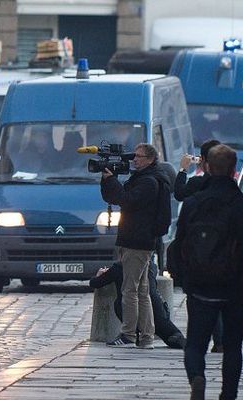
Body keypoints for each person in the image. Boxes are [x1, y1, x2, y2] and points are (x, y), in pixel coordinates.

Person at [172, 144, 243, 400]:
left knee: (195, 344)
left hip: (200, 286)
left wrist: (183, 279)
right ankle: (228, 394)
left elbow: (178, 244)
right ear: (234, 170)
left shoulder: (193, 203)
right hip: (235, 288)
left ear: (207, 167)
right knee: (234, 345)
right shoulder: (239, 204)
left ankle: (197, 378)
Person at [100, 143, 171, 349]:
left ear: (150, 159)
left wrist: (112, 180)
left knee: (129, 290)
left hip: (137, 241)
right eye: (135, 156)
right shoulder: (145, 178)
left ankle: (129, 334)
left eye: (139, 157)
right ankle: (147, 337)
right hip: (137, 239)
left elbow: (126, 200)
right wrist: (107, 180)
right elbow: (114, 197)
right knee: (141, 290)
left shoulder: (149, 182)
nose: (134, 160)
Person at [174, 139, 224, 354]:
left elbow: (179, 193)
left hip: (200, 249)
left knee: (200, 297)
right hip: (225, 250)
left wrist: (183, 169)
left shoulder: (197, 184)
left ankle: (201, 341)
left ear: (203, 161)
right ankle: (222, 341)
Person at [90, 262, 186, 349]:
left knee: (120, 303)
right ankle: (181, 340)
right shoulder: (151, 266)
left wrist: (99, 275)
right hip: (157, 310)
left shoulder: (119, 268)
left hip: (132, 314)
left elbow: (95, 283)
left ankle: (131, 335)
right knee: (169, 331)